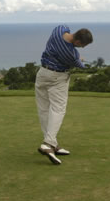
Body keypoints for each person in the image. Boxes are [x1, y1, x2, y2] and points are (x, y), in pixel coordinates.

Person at [35, 25, 93, 165]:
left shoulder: (58, 30)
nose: (82, 48)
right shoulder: (71, 53)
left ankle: (52, 143)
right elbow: (79, 65)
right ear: (78, 42)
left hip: (42, 73)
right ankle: (48, 143)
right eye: (82, 45)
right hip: (57, 78)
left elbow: (64, 28)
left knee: (44, 109)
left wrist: (77, 56)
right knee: (58, 109)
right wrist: (80, 59)